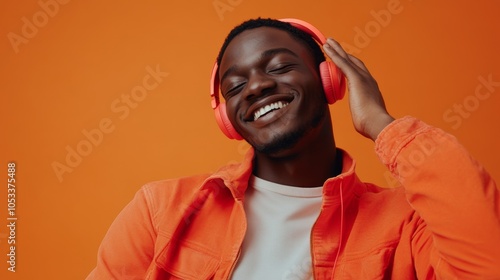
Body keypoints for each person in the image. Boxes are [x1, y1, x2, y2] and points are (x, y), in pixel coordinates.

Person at [86, 18, 500, 279]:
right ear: (227, 118)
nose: (257, 87)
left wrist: (383, 126)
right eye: (235, 87)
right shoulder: (161, 210)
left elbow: (488, 262)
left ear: (329, 81)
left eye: (280, 66)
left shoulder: (404, 225)